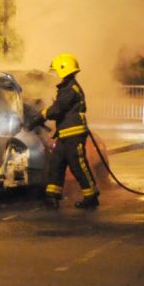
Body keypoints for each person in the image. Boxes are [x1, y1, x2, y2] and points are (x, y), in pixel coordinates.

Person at [28, 53, 100, 209]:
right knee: (56, 164)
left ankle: (91, 195)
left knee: (78, 165)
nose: (55, 75)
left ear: (63, 70)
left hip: (73, 134)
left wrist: (40, 117)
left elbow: (57, 109)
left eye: (56, 71)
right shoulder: (67, 87)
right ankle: (52, 196)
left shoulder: (70, 89)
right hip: (65, 134)